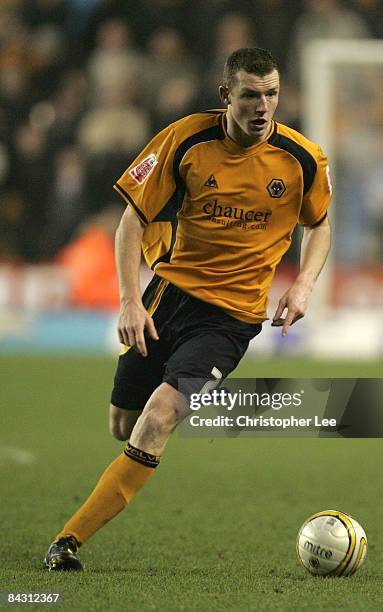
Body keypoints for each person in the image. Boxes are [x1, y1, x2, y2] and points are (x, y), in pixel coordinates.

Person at [43, 47, 332, 571]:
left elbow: (319, 223)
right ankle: (154, 432)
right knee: (123, 422)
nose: (262, 106)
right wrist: (131, 299)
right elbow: (131, 220)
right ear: (227, 95)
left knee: (159, 416)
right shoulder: (185, 140)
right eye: (250, 94)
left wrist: (304, 284)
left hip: (232, 320)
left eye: (271, 94)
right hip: (166, 299)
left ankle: (67, 541)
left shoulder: (302, 158)